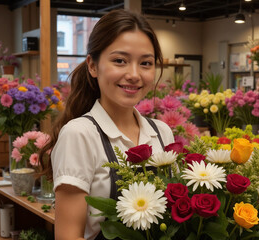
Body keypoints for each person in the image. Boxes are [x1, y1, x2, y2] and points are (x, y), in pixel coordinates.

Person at [39, 9, 174, 240]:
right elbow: (68, 236)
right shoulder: (79, 134)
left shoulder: (161, 132)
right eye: (120, 61)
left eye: (145, 63)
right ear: (92, 65)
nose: (134, 74)